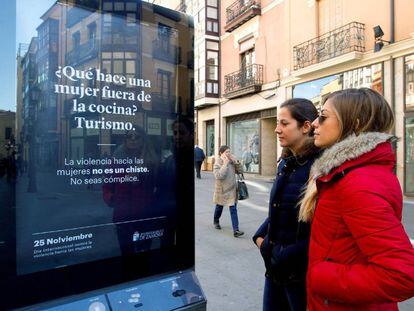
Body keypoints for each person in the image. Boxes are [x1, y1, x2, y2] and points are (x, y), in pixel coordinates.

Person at [300, 88, 414, 310]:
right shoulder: (346, 173)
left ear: (357, 124)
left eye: (323, 116)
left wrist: (320, 277)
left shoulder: (357, 182)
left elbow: (402, 275)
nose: (314, 123)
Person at [253, 98, 319, 311]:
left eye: (284, 123)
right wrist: (260, 238)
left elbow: (320, 226)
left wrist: (284, 254)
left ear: (306, 126)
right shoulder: (286, 162)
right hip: (275, 269)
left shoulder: (320, 167)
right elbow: (279, 208)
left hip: (300, 276)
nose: (276, 130)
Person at [213, 145, 244, 237]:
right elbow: (219, 176)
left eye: (229, 151)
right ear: (221, 153)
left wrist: (236, 162)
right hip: (222, 190)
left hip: (232, 189)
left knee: (233, 209)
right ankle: (216, 220)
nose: (228, 153)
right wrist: (225, 164)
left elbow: (241, 171)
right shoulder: (217, 163)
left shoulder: (232, 161)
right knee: (219, 207)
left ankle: (236, 230)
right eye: (226, 152)